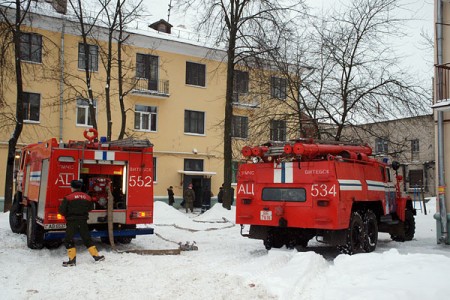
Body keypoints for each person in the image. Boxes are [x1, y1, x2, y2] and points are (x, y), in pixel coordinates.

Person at [58, 179, 105, 267]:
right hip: (83, 221)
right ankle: (96, 256)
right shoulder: (87, 197)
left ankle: (72, 260)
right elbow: (91, 208)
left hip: (72, 222)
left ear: (72, 187)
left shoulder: (68, 197)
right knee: (87, 239)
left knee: (68, 240)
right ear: (80, 187)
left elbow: (61, 211)